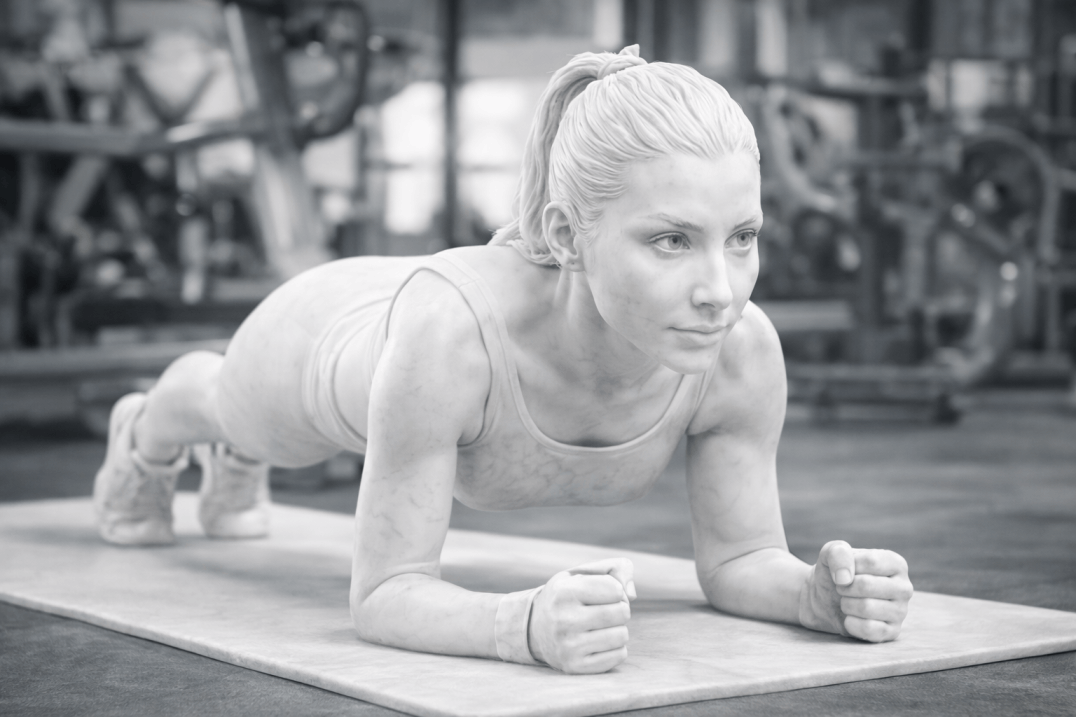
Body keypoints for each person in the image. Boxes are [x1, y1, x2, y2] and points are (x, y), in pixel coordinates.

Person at [93, 46, 913, 675]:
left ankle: (235, 461)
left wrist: (811, 595)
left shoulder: (738, 350)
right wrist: (517, 625)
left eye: (742, 238)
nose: (719, 289)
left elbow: (738, 559)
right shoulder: (451, 340)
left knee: (254, 449)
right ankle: (146, 437)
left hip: (435, 324)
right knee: (228, 407)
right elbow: (383, 594)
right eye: (671, 240)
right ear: (565, 236)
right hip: (331, 331)